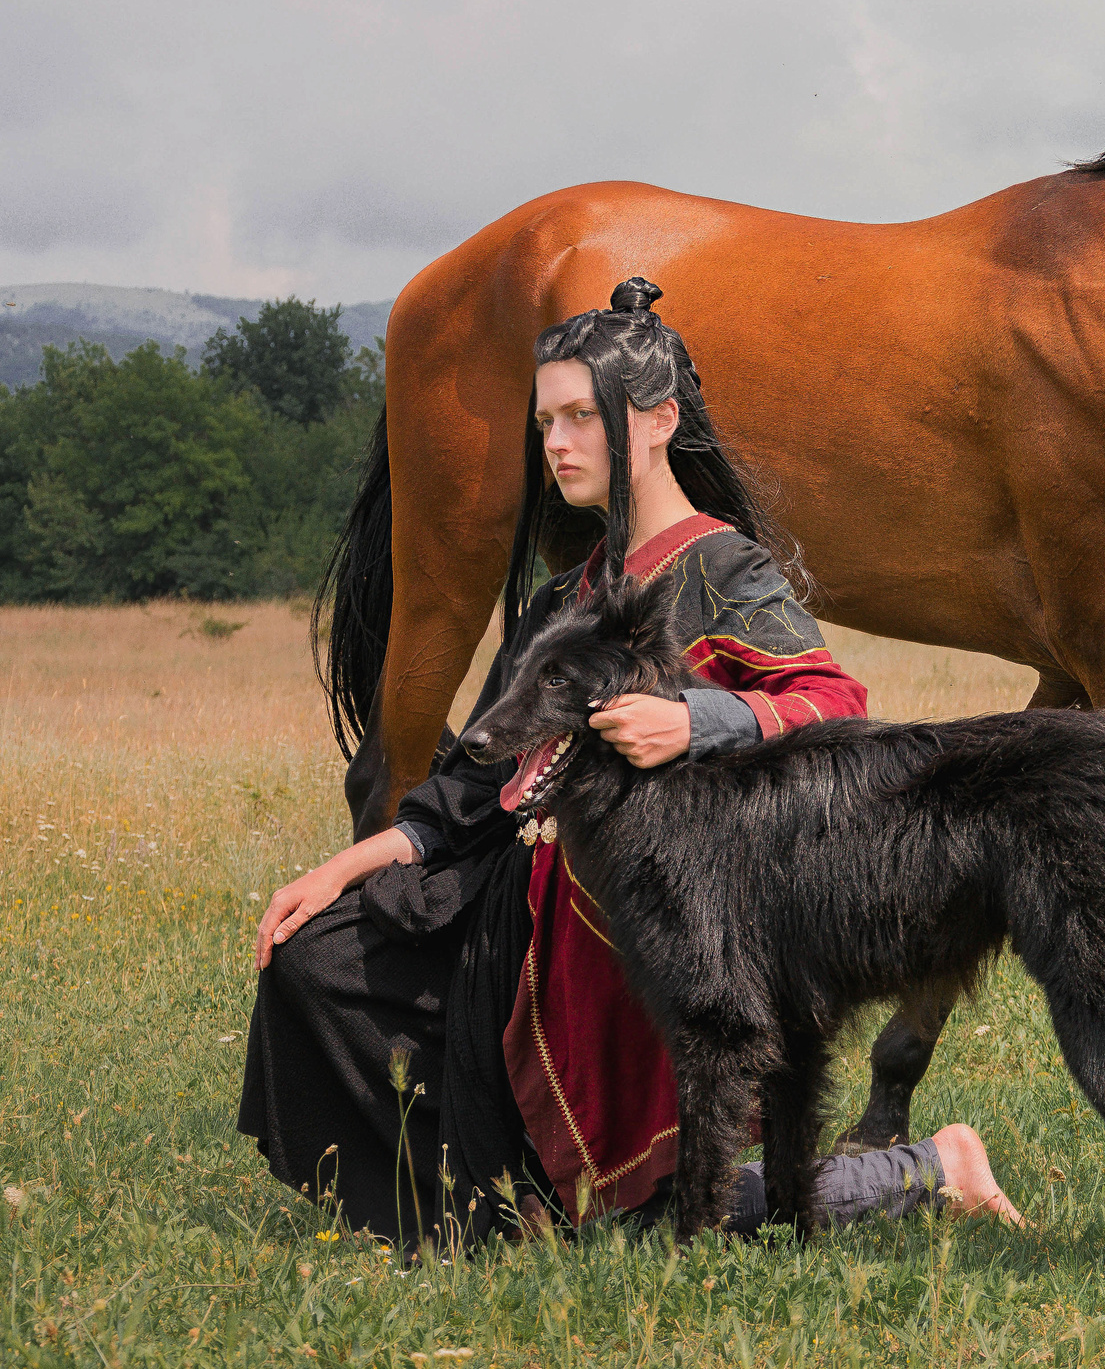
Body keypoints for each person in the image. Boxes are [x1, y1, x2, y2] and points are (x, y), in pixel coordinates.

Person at [240, 277, 1026, 1248]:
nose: (557, 444)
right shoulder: (570, 591)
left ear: (655, 422)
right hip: (523, 926)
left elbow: (833, 704)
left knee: (638, 1223)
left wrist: (695, 720)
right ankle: (488, 1203)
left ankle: (929, 1165)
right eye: (547, 421)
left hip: (648, 942)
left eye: (581, 417)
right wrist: (346, 864)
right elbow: (484, 770)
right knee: (315, 959)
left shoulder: (724, 566)